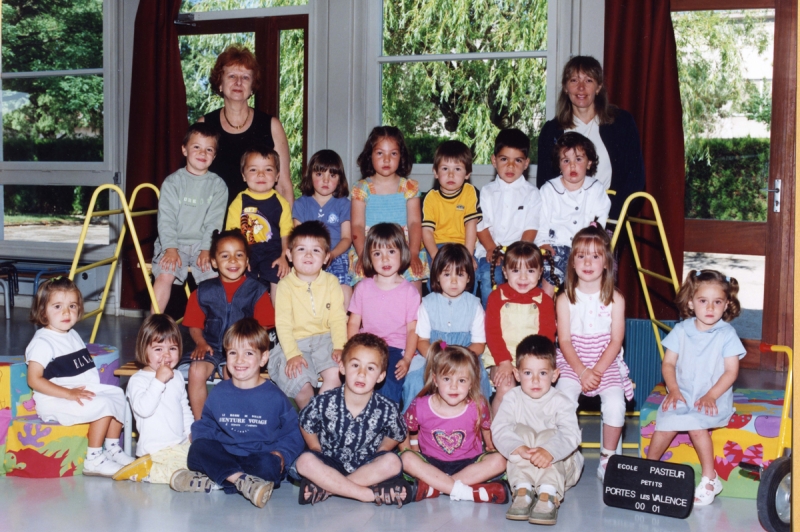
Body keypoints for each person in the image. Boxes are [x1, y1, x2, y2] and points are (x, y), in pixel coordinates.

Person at [171, 319, 304, 508]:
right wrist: (200, 437)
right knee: (197, 450)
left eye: (249, 353)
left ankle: (217, 481)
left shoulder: (275, 396)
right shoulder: (219, 392)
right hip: (226, 453)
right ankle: (242, 481)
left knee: (270, 465)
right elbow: (206, 424)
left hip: (258, 457)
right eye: (233, 353)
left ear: (263, 358)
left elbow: (294, 431)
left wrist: (282, 454)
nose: (239, 360)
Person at [646, 270, 744, 506]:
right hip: (683, 393)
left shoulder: (726, 334)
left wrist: (711, 395)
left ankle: (710, 478)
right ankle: (648, 469)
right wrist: (674, 389)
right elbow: (668, 363)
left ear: (726, 304)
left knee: (697, 426)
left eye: (717, 302)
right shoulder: (681, 330)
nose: (710, 308)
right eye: (703, 301)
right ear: (691, 302)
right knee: (666, 422)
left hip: (713, 396)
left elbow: (731, 371)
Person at [25, 278, 132, 477]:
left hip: (78, 390)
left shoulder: (71, 334)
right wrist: (68, 393)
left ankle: (112, 448)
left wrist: (77, 391)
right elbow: (34, 380)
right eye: (58, 306)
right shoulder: (42, 342)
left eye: (72, 306)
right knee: (103, 405)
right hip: (55, 400)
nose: (66, 312)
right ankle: (94, 459)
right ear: (42, 312)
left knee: (119, 394)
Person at [554, 224, 633, 481]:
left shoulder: (616, 299)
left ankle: (608, 457)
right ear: (572, 263)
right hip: (572, 360)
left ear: (607, 263)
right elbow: (564, 340)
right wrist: (581, 371)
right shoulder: (565, 298)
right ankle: (565, 452)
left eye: (596, 256)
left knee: (614, 403)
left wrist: (596, 371)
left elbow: (616, 340)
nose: (588, 262)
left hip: (605, 362)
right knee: (564, 398)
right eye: (581, 256)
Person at [295, 333, 411, 507]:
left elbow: (398, 433)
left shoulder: (387, 407)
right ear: (342, 367)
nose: (361, 374)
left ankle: (329, 487)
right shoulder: (325, 401)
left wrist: (383, 449)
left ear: (380, 376)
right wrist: (315, 447)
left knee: (392, 462)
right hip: (330, 462)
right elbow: (305, 423)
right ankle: (367, 494)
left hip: (367, 465)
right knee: (304, 462)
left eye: (370, 368)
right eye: (355, 365)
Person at [178, 230, 275, 419]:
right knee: (196, 370)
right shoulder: (203, 291)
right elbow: (194, 325)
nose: (233, 260)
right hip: (211, 346)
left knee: (232, 372)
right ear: (214, 262)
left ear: (247, 262)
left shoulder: (257, 291)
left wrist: (244, 347)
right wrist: (200, 342)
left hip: (241, 349)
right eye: (225, 255)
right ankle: (201, 423)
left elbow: (263, 327)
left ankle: (234, 421)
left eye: (239, 255)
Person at [536, 55, 644, 220]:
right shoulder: (551, 130)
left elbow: (635, 180)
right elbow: (544, 182)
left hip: (608, 216)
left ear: (599, 87)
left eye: (588, 81)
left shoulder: (622, 123)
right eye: (574, 80)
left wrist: (608, 216)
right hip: (562, 217)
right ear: (565, 87)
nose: (581, 88)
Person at [400, 342, 508, 504]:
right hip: (431, 463)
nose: (454, 386)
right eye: (447, 379)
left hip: (468, 464)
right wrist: (411, 449)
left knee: (500, 460)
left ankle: (435, 487)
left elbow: (487, 428)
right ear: (435, 380)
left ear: (471, 383)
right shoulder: (420, 405)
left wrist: (491, 447)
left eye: (462, 380)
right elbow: (404, 431)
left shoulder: (478, 405)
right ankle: (468, 492)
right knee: (406, 459)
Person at [492, 335, 583, 526]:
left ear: (554, 375)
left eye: (542, 373)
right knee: (519, 433)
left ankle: (548, 494)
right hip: (525, 465)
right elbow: (499, 428)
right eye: (527, 373)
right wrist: (519, 447)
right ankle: (523, 490)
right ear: (517, 375)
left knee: (549, 435)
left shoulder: (561, 401)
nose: (535, 380)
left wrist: (549, 450)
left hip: (560, 467)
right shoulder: (512, 398)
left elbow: (570, 434)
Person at [199, 44, 294, 207]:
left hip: (262, 225)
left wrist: (286, 230)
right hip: (214, 225)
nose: (238, 82)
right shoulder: (205, 125)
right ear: (220, 83)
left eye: (245, 77)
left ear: (252, 87)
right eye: (232, 76)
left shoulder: (272, 126)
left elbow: (284, 186)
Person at [150, 122, 228, 314]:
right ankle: (153, 326)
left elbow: (214, 222)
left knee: (213, 281)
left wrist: (206, 249)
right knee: (165, 275)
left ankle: (215, 329)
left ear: (214, 156)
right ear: (184, 150)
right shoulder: (172, 183)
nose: (203, 153)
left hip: (203, 244)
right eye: (196, 147)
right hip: (173, 242)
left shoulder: (218, 185)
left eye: (209, 149)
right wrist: (170, 248)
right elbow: (166, 219)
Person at [270, 221, 348, 409]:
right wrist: (292, 354)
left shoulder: (331, 282)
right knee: (302, 385)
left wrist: (339, 346)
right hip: (294, 342)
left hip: (325, 340)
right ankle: (310, 425)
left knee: (337, 373)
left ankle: (319, 416)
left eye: (316, 250)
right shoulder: (285, 286)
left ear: (326, 257)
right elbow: (283, 324)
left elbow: (338, 318)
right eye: (302, 249)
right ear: (289, 255)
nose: (308, 255)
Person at [403, 244, 491, 410]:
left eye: (460, 274)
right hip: (433, 356)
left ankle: (478, 425)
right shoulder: (428, 304)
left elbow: (479, 344)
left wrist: (459, 361)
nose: (453, 281)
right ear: (436, 276)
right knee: (414, 380)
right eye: (446, 274)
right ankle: (412, 430)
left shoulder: (474, 305)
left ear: (469, 278)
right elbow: (422, 341)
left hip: (466, 357)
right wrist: (437, 358)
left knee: (481, 380)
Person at [113, 314, 193, 484]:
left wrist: (190, 433)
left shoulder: (177, 376)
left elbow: (184, 407)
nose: (166, 355)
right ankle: (145, 473)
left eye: (172, 348)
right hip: (153, 451)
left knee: (204, 458)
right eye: (158, 349)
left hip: (179, 445)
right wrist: (158, 380)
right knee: (174, 471)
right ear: (144, 350)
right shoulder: (137, 380)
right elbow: (144, 409)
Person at [347, 223, 420, 406]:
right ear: (369, 258)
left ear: (402, 253)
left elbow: (413, 330)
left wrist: (407, 358)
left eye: (391, 252)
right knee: (356, 380)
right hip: (367, 346)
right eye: (377, 254)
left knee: (388, 384)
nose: (385, 259)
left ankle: (387, 426)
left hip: (395, 349)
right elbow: (353, 323)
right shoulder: (363, 287)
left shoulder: (410, 292)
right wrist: (351, 350)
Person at [349, 126, 428, 293]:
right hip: (370, 250)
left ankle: (411, 318)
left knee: (414, 286)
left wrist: (413, 253)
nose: (386, 159)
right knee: (363, 289)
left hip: (404, 250)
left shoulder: (409, 187)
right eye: (380, 153)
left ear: (401, 156)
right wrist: (364, 255)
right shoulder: (361, 188)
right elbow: (356, 226)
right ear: (370, 156)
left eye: (393, 153)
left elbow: (414, 223)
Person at [536, 132, 611, 297]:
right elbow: (541, 221)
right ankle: (545, 309)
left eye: (578, 159)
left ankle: (587, 309)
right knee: (550, 274)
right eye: (566, 161)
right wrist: (542, 243)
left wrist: (593, 238)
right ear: (559, 164)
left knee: (593, 266)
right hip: (556, 244)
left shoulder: (596, 189)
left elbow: (599, 220)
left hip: (585, 246)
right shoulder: (548, 189)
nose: (572, 166)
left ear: (589, 162)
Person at [484, 241, 556, 414]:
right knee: (505, 387)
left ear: (540, 273)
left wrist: (532, 364)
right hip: (501, 357)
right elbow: (492, 333)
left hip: (534, 360)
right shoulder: (496, 297)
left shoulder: (544, 301)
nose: (523, 278)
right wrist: (504, 362)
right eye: (516, 271)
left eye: (530, 271)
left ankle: (532, 433)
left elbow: (546, 337)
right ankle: (497, 435)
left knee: (536, 387)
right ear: (505, 272)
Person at [475, 128, 541, 308]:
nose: (510, 166)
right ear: (494, 160)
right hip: (489, 253)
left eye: (517, 160)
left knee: (528, 281)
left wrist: (518, 255)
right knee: (492, 279)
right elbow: (481, 225)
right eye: (504, 159)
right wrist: (492, 249)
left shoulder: (532, 194)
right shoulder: (486, 192)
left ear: (526, 163)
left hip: (519, 254)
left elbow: (531, 227)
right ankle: (492, 322)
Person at [225, 147, 292, 304]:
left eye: (268, 169)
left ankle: (279, 321)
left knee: (279, 277)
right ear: (243, 175)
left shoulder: (281, 202)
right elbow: (232, 235)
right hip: (247, 251)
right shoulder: (238, 201)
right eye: (253, 169)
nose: (261, 174)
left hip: (274, 252)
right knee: (241, 280)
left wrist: (284, 256)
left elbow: (286, 233)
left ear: (277, 176)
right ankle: (245, 321)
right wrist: (240, 256)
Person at [292, 149, 353, 310]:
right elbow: (297, 239)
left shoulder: (344, 204)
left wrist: (332, 254)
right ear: (310, 176)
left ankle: (343, 322)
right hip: (309, 255)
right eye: (320, 174)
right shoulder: (301, 204)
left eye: (332, 175)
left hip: (336, 254)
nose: (326, 180)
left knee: (344, 286)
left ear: (340, 179)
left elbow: (347, 238)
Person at [421, 140, 481, 270]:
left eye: (457, 169)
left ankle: (468, 291)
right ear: (436, 172)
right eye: (445, 168)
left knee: (470, 272)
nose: (451, 174)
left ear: (467, 174)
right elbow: (427, 231)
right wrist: (435, 256)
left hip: (464, 246)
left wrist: (468, 255)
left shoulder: (470, 192)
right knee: (438, 273)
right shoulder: (430, 197)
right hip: (438, 246)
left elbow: (471, 225)